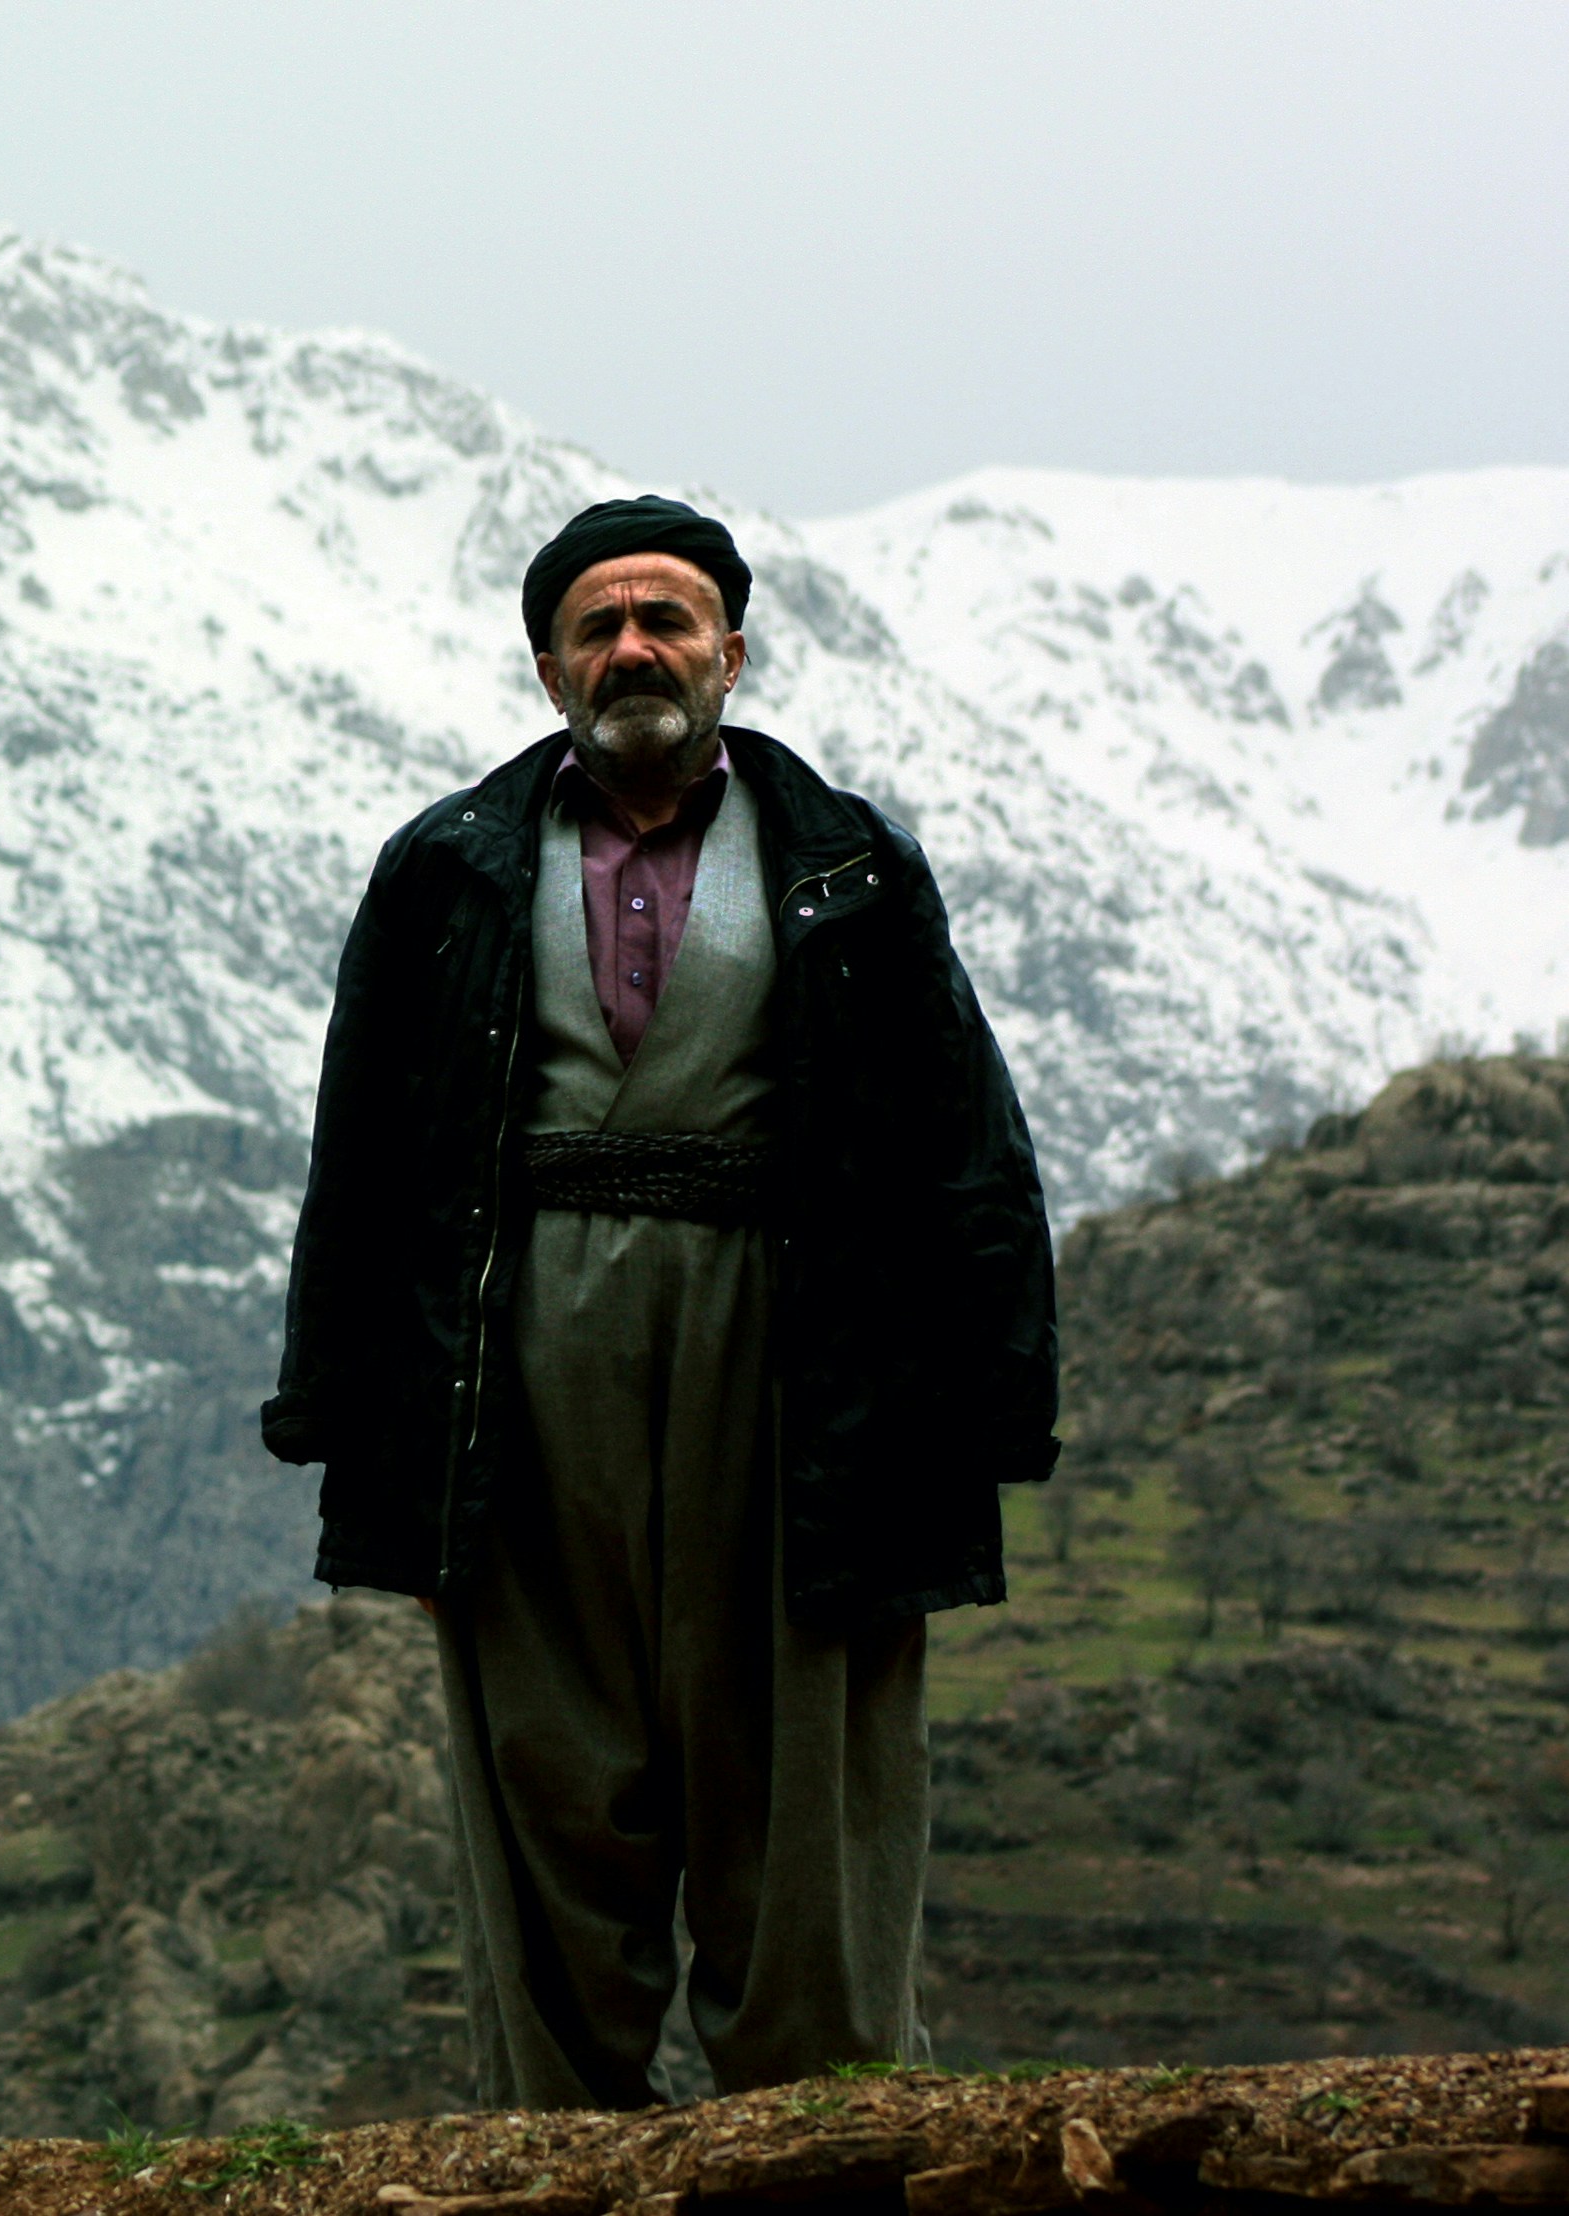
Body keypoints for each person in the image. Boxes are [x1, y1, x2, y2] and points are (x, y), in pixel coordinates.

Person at [259, 495, 1057, 2108]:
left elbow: (957, 1138)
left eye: (668, 620)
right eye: (598, 625)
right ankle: (563, 2143)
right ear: (547, 668)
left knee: (803, 1744)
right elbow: (367, 1156)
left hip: (794, 1355)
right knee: (545, 1751)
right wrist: (350, 1424)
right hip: (521, 1354)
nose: (635, 648)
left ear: (731, 654)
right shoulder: (446, 873)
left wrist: (992, 1403)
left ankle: (819, 2132)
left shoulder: (850, 867)